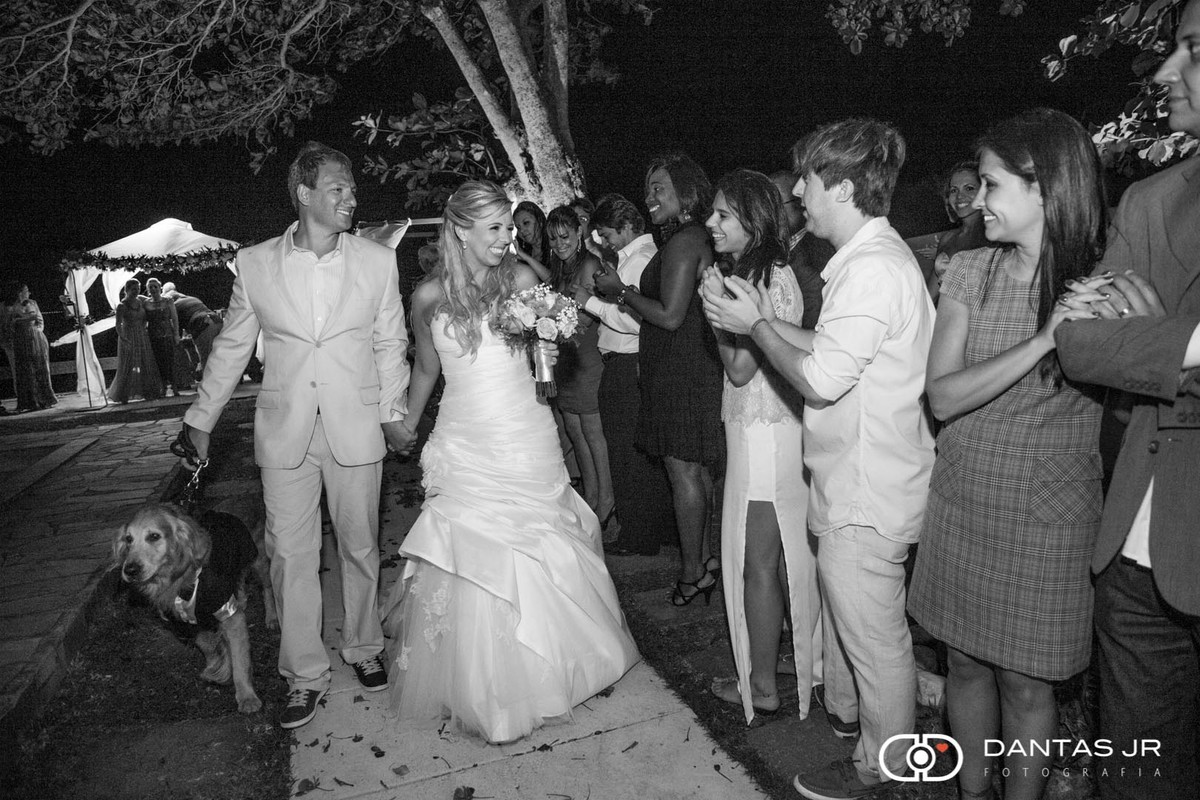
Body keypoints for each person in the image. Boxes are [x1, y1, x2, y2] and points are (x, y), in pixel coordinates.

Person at [701, 118, 935, 799]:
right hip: (859, 478)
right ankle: (861, 732)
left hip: (867, 486)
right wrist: (764, 325)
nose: (797, 190)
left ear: (839, 186)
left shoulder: (870, 271)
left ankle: (880, 767)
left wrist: (754, 327)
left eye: (807, 178)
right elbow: (833, 352)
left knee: (877, 641)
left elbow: (821, 380)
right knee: (865, 632)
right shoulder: (869, 263)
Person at [383, 180, 638, 744]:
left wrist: (545, 354)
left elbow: (545, 357)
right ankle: (484, 691)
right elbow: (426, 367)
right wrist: (404, 419)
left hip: (523, 431)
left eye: (508, 226)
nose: (509, 238)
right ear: (460, 230)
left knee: (536, 543)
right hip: (463, 438)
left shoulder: (523, 281)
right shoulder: (426, 297)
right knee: (468, 553)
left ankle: (550, 675)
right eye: (495, 228)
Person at [907, 109, 1109, 800]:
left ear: (1046, 187)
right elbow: (943, 396)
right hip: (966, 495)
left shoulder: (1105, 282)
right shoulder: (969, 271)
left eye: (991, 185)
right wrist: (1045, 339)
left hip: (1047, 513)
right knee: (963, 662)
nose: (978, 201)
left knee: (1027, 680)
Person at [181, 141, 411, 730]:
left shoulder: (377, 261)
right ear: (304, 194)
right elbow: (232, 345)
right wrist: (200, 420)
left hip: (355, 426)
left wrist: (393, 411)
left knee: (360, 546)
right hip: (286, 432)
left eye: (353, 188)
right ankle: (303, 675)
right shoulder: (255, 264)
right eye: (338, 188)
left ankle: (363, 648)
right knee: (289, 555)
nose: (351, 198)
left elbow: (391, 344)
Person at [1054, 5, 1200, 795]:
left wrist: (1163, 344)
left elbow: (1123, 351)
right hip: (1137, 565)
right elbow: (1079, 343)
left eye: (1195, 49)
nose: (1167, 70)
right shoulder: (1148, 203)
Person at [700, 169, 820, 726]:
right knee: (771, 561)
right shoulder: (759, 271)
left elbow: (743, 369)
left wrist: (717, 319)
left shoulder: (759, 279)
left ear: (752, 218)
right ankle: (785, 668)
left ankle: (766, 685)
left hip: (766, 436)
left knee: (759, 564)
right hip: (762, 431)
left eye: (723, 214)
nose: (711, 223)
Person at [594, 152, 725, 606]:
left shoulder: (687, 241)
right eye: (648, 189)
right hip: (680, 365)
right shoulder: (683, 238)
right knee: (693, 471)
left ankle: (692, 573)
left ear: (686, 192)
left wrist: (622, 292)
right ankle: (704, 561)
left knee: (683, 472)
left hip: (683, 369)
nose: (649, 197)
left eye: (659, 188)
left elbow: (670, 316)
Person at [579, 194, 677, 555]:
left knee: (626, 455)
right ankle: (658, 529)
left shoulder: (640, 260)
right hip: (626, 363)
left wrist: (589, 303)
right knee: (639, 453)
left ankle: (639, 534)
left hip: (628, 363)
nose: (604, 243)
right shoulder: (633, 258)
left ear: (624, 227)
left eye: (606, 234)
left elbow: (636, 320)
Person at [543, 205, 615, 527]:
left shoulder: (589, 265)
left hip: (586, 355)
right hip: (565, 358)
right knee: (573, 429)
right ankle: (591, 494)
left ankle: (607, 499)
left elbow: (589, 315)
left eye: (565, 236)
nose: (560, 244)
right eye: (554, 238)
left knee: (593, 432)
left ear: (579, 233)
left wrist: (549, 325)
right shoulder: (558, 267)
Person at [770, 170, 834, 330]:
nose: (766, 213)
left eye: (774, 205)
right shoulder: (782, 248)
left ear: (799, 204)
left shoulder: (814, 253)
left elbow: (813, 325)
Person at [926, 160, 989, 302]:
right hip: (944, 317)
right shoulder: (947, 238)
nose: (960, 196)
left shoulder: (993, 238)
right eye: (954, 190)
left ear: (983, 192)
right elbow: (929, 296)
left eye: (969, 188)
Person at [108, 278, 163, 404]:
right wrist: (123, 338)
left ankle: (148, 391)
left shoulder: (141, 301)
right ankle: (124, 394)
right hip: (128, 335)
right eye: (133, 289)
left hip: (142, 334)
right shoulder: (122, 305)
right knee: (128, 364)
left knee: (146, 362)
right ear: (127, 290)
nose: (136, 291)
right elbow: (118, 324)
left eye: (138, 289)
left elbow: (147, 314)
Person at [3, 282, 57, 412]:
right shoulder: (10, 306)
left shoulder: (32, 303)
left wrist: (36, 332)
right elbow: (8, 324)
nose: (29, 293)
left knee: (40, 367)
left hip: (35, 338)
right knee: (25, 370)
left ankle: (44, 399)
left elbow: (40, 320)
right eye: (26, 290)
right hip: (20, 339)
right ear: (19, 292)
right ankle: (29, 400)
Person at [162, 282, 223, 372]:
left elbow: (177, 328)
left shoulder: (174, 305)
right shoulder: (192, 299)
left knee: (206, 358)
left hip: (203, 325)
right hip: (218, 321)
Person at [142, 278, 181, 396]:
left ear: (160, 288)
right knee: (159, 362)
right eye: (151, 287)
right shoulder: (146, 303)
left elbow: (174, 318)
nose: (153, 289)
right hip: (154, 335)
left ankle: (175, 387)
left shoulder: (168, 301)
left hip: (168, 333)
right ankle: (163, 387)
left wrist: (176, 334)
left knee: (171, 360)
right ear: (148, 290)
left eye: (155, 286)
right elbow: (144, 320)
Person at [512, 200, 552, 282]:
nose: (522, 230)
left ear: (540, 222)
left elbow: (554, 283)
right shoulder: (522, 254)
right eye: (518, 227)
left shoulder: (556, 247)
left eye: (526, 223)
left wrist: (527, 258)